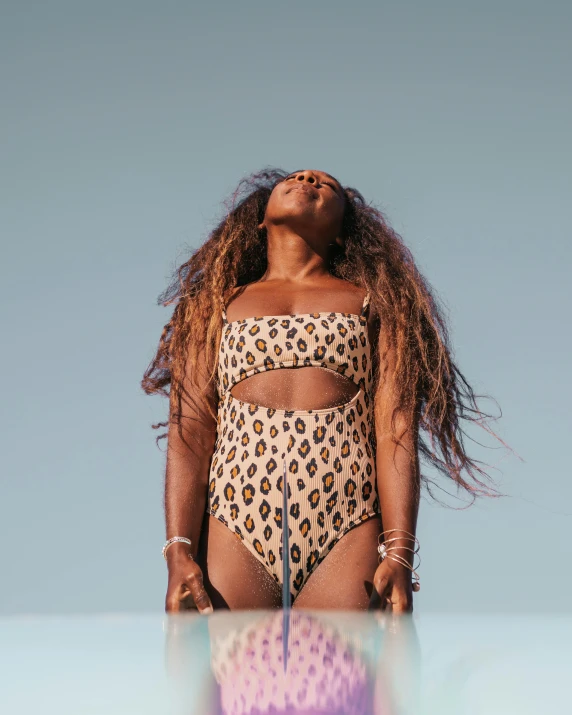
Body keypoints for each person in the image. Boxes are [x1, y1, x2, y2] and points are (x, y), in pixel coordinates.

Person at [142, 168, 504, 613]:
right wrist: (178, 550)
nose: (310, 178)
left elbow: (396, 432)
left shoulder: (376, 303)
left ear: (342, 232)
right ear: (260, 220)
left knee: (341, 677)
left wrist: (400, 554)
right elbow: (190, 432)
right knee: (232, 675)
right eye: (296, 177)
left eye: (326, 184)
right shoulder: (215, 305)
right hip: (236, 517)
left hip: (346, 521)